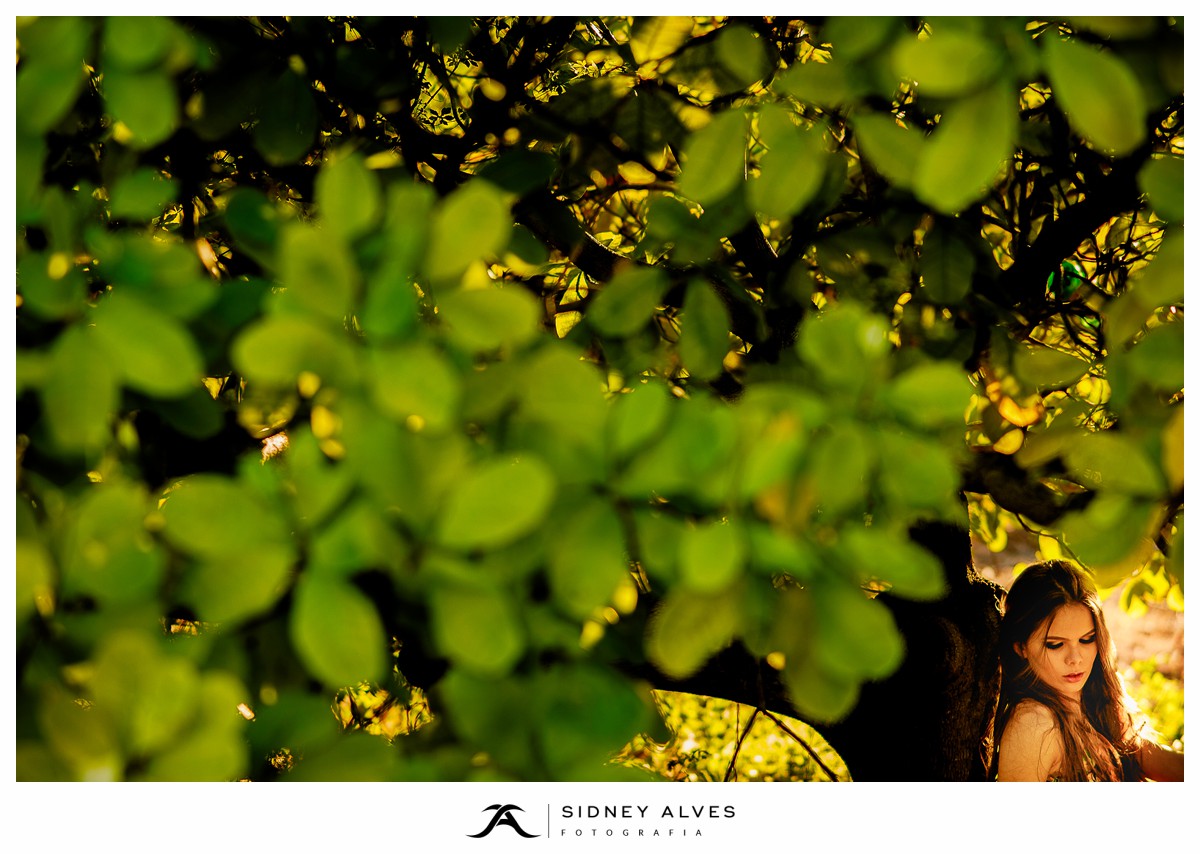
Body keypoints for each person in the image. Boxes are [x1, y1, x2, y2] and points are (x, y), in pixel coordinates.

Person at [992, 560, 1184, 781]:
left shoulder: (1095, 697)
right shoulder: (1033, 723)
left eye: (1087, 640)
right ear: (1021, 647)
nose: (1076, 659)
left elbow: (1150, 759)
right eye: (1055, 644)